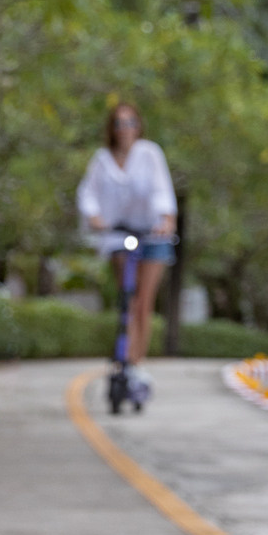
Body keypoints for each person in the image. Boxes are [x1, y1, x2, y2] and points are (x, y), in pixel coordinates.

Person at [76, 103, 177, 390]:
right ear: (112, 128)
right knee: (127, 298)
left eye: (131, 122)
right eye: (120, 123)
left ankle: (137, 360)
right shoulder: (101, 160)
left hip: (152, 235)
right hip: (119, 236)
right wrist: (95, 218)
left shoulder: (149, 153)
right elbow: (88, 194)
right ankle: (123, 354)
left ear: (138, 125)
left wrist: (166, 220)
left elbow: (162, 190)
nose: (126, 128)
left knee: (144, 300)